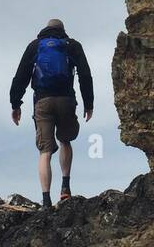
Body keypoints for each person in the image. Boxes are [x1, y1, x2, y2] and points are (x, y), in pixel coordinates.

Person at [9, 18, 94, 208]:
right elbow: (85, 75)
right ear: (63, 30)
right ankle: (65, 188)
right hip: (66, 100)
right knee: (65, 140)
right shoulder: (72, 45)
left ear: (45, 29)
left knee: (45, 151)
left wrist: (15, 104)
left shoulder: (35, 46)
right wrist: (89, 103)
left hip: (43, 102)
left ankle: (46, 200)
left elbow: (21, 75)